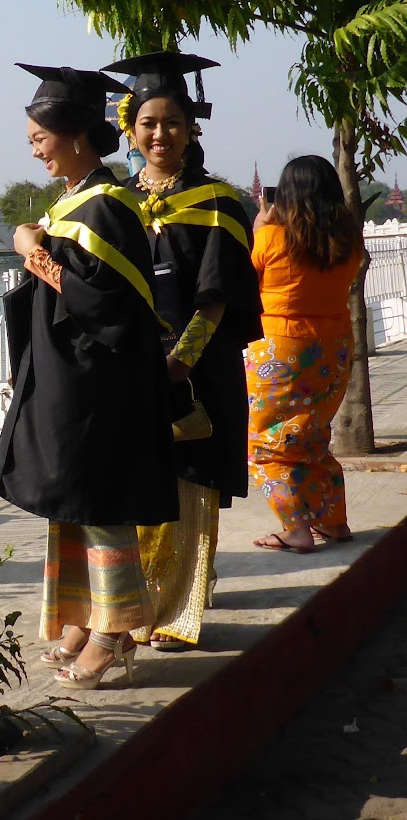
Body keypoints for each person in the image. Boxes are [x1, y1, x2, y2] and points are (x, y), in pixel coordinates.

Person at [0, 64, 176, 690]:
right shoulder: (73, 202)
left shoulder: (107, 206)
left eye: (40, 137)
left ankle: (114, 631)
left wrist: (32, 252)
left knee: (99, 501)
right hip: (66, 377)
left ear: (75, 135)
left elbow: (104, 304)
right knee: (68, 498)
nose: (34, 149)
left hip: (99, 382)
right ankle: (81, 617)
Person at [105, 51, 261, 650]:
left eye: (172, 123)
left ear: (192, 130)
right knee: (141, 482)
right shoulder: (114, 202)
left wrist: (180, 360)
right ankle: (142, 600)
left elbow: (218, 295)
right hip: (131, 367)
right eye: (148, 123)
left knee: (191, 482)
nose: (160, 134)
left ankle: (176, 612)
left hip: (196, 366)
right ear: (130, 129)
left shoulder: (217, 202)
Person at [246, 154, 364, 552]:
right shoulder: (349, 242)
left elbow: (247, 283)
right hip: (335, 347)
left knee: (268, 444)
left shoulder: (272, 238)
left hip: (282, 348)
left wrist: (260, 229)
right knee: (312, 436)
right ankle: (333, 521)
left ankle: (295, 529)